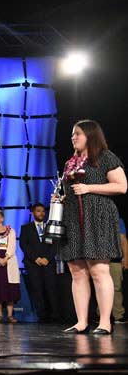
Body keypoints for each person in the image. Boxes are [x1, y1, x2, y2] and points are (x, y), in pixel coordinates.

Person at [57, 120, 127, 335]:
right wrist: (60, 198)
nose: (73, 138)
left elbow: (121, 186)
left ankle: (105, 323)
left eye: (77, 134)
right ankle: (81, 322)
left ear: (90, 135)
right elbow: (70, 191)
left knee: (99, 270)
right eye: (72, 134)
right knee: (77, 272)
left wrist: (89, 188)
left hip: (97, 218)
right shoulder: (71, 163)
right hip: (73, 220)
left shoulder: (105, 157)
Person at [19, 203, 60, 323]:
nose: (41, 213)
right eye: (38, 211)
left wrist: (47, 258)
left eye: (43, 211)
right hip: (33, 264)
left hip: (49, 263)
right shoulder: (26, 228)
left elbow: (55, 245)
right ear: (33, 212)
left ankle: (55, 315)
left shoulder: (51, 227)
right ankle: (42, 315)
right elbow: (24, 245)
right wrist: (36, 258)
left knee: (51, 289)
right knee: (37, 289)